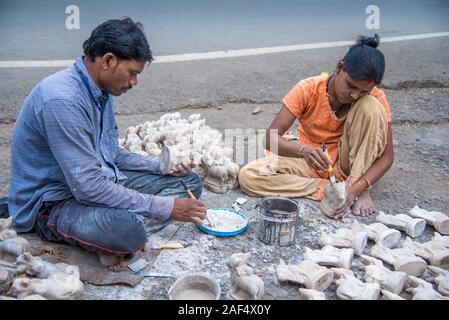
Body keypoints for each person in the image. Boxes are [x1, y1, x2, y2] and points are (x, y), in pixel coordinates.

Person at [8, 17, 206, 271]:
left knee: (189, 183)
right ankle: (119, 235)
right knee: (127, 230)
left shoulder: (100, 91)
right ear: (108, 61)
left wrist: (159, 166)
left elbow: (111, 154)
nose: (135, 82)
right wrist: (164, 207)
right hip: (54, 202)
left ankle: (115, 235)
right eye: (133, 73)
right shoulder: (62, 99)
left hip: (93, 183)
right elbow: (89, 188)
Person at [239, 34, 393, 219]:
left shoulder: (375, 97)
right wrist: (304, 151)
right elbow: (270, 139)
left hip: (350, 165)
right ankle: (329, 189)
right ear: (339, 68)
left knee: (370, 106)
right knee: (249, 176)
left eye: (363, 91)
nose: (354, 95)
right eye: (351, 86)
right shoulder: (308, 89)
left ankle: (353, 187)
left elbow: (386, 157)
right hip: (311, 160)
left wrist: (357, 188)